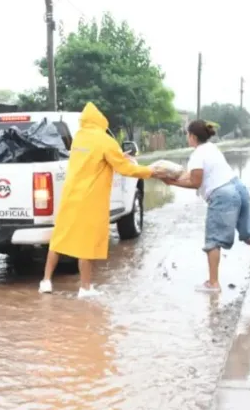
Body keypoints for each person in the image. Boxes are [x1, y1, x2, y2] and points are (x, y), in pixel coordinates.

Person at [39, 102, 163, 298]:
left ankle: (46, 281)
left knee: (59, 239)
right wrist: (151, 171)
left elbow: (94, 158)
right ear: (100, 120)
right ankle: (85, 288)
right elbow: (125, 169)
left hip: (70, 196)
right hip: (90, 199)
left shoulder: (79, 137)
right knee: (85, 244)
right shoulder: (106, 141)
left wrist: (117, 156)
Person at [164, 120, 250, 292]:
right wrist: (174, 178)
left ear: (192, 136)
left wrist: (172, 183)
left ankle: (213, 283)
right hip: (238, 187)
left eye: (187, 134)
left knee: (213, 240)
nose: (187, 137)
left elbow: (195, 182)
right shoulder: (211, 148)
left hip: (223, 194)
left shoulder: (197, 154)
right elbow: (192, 175)